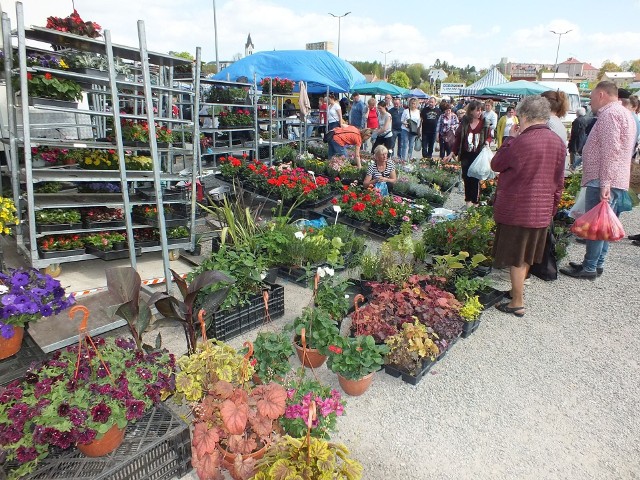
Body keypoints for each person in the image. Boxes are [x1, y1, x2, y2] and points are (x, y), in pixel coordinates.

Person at [490, 95, 567, 317]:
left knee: (516, 256)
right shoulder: (557, 142)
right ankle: (517, 291)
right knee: (525, 257)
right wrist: (552, 208)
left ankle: (517, 302)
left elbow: (496, 164)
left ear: (524, 116)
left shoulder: (521, 141)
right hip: (542, 210)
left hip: (518, 209)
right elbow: (558, 181)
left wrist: (510, 139)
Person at [560, 81, 637, 279]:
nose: (591, 102)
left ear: (602, 95)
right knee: (603, 226)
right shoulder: (624, 113)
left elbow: (610, 152)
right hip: (614, 178)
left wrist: (605, 183)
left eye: (592, 97)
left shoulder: (610, 115)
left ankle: (590, 267)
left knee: (597, 226)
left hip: (603, 179)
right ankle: (596, 263)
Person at [448, 100, 490, 207]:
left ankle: (475, 203)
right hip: (466, 154)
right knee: (466, 178)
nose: (479, 112)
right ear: (471, 111)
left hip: (478, 155)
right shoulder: (465, 123)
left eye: (481, 110)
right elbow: (458, 139)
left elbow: (489, 136)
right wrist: (452, 152)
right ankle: (468, 203)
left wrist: (487, 141)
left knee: (476, 179)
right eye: (477, 110)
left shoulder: (484, 122)